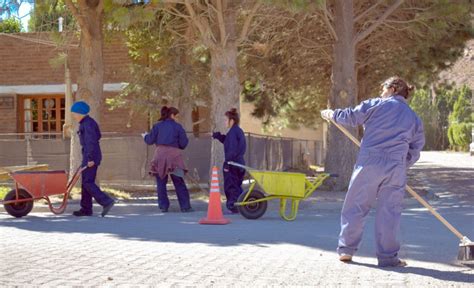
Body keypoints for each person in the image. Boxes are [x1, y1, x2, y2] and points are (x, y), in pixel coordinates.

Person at [321, 76, 425, 267]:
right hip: (395, 167)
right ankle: (388, 258)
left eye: (383, 89)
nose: (381, 92)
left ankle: (346, 250)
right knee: (389, 213)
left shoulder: (376, 105)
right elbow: (416, 148)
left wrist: (330, 114)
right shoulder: (414, 118)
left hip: (369, 164)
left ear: (393, 89)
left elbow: (351, 116)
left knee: (356, 206)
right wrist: (401, 163)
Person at [143, 106, 193, 213]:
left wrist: (145, 136)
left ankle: (163, 206)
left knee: (161, 181)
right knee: (178, 181)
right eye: (177, 116)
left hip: (159, 155)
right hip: (174, 156)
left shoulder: (157, 126)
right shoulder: (178, 127)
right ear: (172, 115)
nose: (177, 118)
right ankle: (185, 206)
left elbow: (150, 140)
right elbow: (183, 144)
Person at [71, 101, 115, 217]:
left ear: (80, 112)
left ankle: (106, 201)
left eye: (74, 113)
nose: (73, 115)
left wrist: (90, 158)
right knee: (85, 183)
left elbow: (91, 142)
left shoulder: (88, 124)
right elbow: (97, 136)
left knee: (88, 182)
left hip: (91, 156)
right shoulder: (86, 123)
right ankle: (86, 209)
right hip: (89, 155)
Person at [212, 108, 247, 214]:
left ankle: (233, 205)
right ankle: (241, 205)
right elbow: (228, 141)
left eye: (225, 120)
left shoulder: (233, 132)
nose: (224, 122)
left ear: (231, 120)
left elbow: (231, 149)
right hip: (239, 163)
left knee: (231, 185)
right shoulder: (236, 131)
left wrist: (227, 163)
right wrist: (218, 136)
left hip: (232, 163)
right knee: (236, 185)